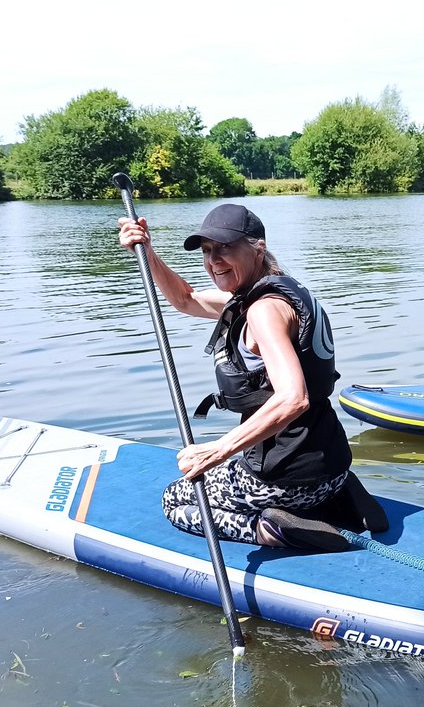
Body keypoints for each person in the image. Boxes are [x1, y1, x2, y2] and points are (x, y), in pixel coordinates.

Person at [118, 203, 354, 551]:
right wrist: (147, 250)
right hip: (333, 468)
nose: (214, 260)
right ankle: (336, 499)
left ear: (257, 246)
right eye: (207, 251)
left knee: (176, 500)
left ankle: (271, 530)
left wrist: (216, 450)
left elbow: (294, 398)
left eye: (225, 248)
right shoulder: (278, 291)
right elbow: (187, 298)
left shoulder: (263, 311)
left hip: (289, 479)